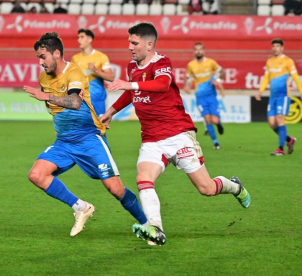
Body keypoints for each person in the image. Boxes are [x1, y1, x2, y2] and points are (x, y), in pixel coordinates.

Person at [101, 23, 251, 246]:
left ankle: (234, 186)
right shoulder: (132, 66)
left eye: (134, 43)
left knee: (206, 189)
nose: (130, 47)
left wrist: (129, 84)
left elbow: (162, 85)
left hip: (178, 134)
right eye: (129, 42)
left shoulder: (162, 62)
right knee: (143, 178)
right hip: (151, 138)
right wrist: (110, 112)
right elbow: (132, 94)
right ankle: (156, 229)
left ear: (149, 44)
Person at [22, 32, 148, 238]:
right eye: (38, 58)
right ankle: (81, 207)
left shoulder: (75, 72)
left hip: (89, 138)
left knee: (115, 189)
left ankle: (148, 224)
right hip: (64, 141)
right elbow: (54, 107)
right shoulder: (44, 78)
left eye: (43, 57)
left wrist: (45, 96)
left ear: (56, 53)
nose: (41, 62)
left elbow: (75, 102)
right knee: (36, 175)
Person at [256, 39, 302, 156]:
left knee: (280, 119)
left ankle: (281, 149)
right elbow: (266, 78)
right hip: (273, 97)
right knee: (272, 123)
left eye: (277, 46)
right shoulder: (269, 61)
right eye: (273, 46)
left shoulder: (288, 61)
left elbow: (296, 77)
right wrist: (260, 91)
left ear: (282, 48)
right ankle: (289, 140)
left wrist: (301, 91)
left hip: (283, 95)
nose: (275, 48)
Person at [183, 42, 225, 150]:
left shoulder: (211, 62)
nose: (198, 51)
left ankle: (219, 124)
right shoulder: (191, 65)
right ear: (194, 52)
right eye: (196, 49)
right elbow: (188, 77)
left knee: (214, 120)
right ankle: (216, 142)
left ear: (204, 51)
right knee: (207, 120)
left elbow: (221, 71)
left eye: (200, 49)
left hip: (211, 95)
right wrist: (186, 86)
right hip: (200, 96)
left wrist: (218, 80)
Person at [71, 29, 115, 117]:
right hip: (81, 99)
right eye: (78, 37)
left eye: (82, 37)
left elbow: (111, 77)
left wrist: (95, 70)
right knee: (82, 128)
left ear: (90, 39)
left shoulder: (101, 57)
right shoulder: (75, 58)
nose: (78, 40)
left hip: (97, 98)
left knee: (99, 127)